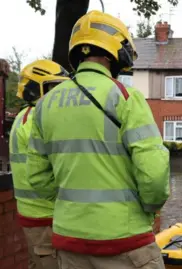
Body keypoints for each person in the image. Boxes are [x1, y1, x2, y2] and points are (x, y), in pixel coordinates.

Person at [26, 10, 170, 269]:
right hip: (126, 241)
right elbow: (155, 174)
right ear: (114, 49)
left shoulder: (44, 105)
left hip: (69, 243)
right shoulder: (125, 96)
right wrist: (147, 208)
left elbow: (38, 178)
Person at [10, 59, 69, 269]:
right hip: (46, 214)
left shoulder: (23, 117)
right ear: (35, 90)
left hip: (34, 214)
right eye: (54, 88)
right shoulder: (40, 119)